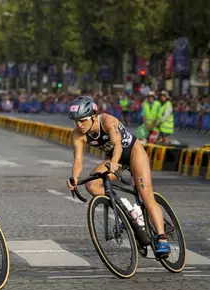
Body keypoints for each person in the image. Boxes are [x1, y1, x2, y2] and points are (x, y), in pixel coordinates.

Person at [65, 96, 170, 257]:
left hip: (133, 153)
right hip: (114, 160)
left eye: (82, 120)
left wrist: (114, 161)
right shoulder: (78, 134)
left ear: (93, 115)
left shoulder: (107, 121)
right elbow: (78, 160)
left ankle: (162, 239)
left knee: (146, 195)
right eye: (76, 121)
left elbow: (118, 145)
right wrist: (74, 177)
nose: (79, 124)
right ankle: (127, 209)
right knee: (92, 185)